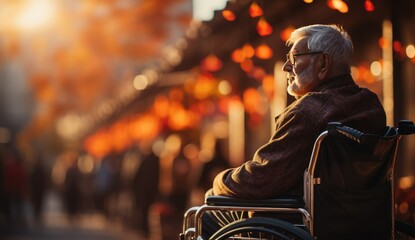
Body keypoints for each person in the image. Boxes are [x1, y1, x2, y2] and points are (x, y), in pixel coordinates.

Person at [202, 24, 386, 236]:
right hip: (358, 219)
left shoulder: (309, 112)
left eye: (295, 57)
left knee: (207, 212)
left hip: (297, 222)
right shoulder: (371, 105)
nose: (286, 67)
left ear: (323, 63)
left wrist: (219, 180)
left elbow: (260, 179)